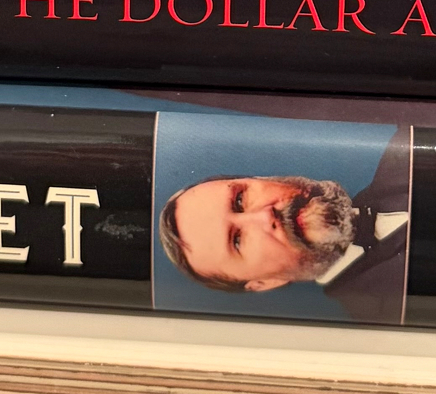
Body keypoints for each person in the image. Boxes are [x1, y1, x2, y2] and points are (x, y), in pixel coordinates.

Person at [156, 130, 411, 323]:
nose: (265, 216)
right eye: (237, 240)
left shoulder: (406, 152)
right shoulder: (393, 318)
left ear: (264, 179)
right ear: (265, 283)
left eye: (240, 199)